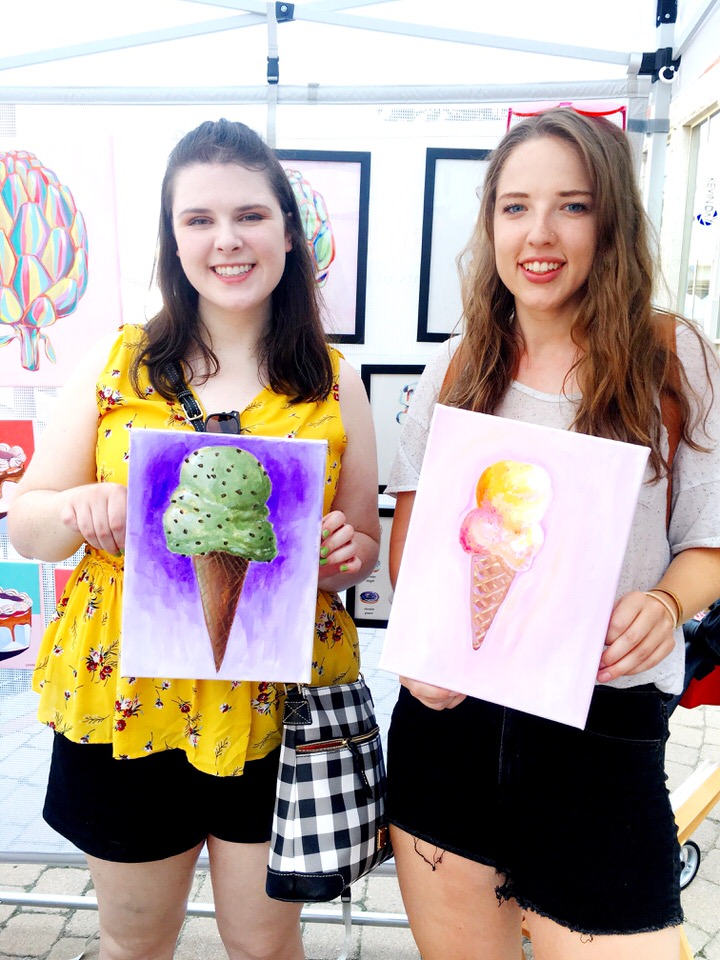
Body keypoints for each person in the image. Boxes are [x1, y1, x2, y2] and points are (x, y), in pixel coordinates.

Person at [7, 118, 380, 960]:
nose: (227, 240)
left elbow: (359, 548)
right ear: (173, 241)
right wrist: (81, 506)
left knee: (265, 946)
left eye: (250, 215)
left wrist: (348, 555)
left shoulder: (332, 379)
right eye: (198, 219)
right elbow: (28, 523)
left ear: (289, 229)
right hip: (126, 706)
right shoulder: (120, 366)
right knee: (133, 943)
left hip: (274, 708)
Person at [384, 107, 720, 960]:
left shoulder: (675, 360)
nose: (540, 233)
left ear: (612, 222)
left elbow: (708, 542)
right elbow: (418, 547)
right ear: (491, 222)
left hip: (601, 742)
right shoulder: (458, 366)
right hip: (450, 733)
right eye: (515, 206)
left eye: (572, 205)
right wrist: (420, 650)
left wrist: (664, 602)